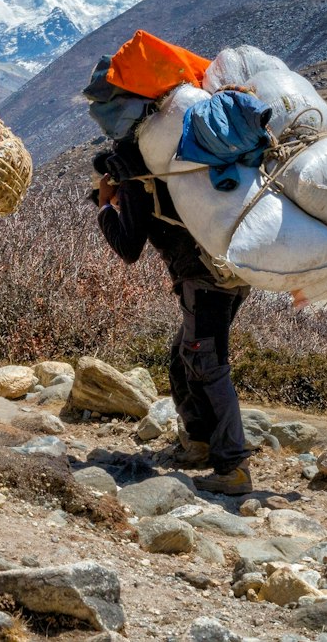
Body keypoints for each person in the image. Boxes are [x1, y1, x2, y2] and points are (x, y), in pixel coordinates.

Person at [93, 136, 252, 495]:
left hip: (204, 281)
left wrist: (105, 209)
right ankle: (198, 443)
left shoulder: (136, 182)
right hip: (232, 274)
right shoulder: (167, 170)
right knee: (184, 359)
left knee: (207, 365)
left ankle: (233, 466)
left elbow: (128, 247)